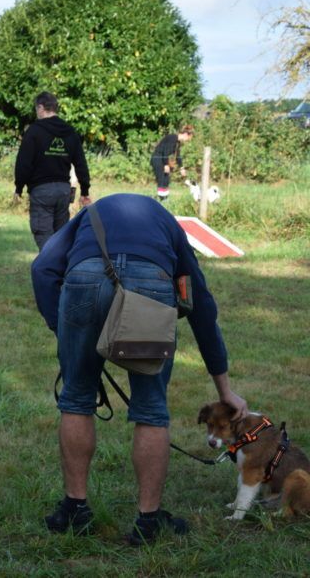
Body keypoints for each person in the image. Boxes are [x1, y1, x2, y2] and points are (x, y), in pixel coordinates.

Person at [31, 193, 248, 544]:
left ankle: (74, 509)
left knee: (75, 398)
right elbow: (201, 306)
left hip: (84, 278)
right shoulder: (168, 224)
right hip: (151, 281)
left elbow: (42, 268)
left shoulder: (90, 214)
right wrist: (224, 390)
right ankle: (148, 521)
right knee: (150, 407)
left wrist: (63, 331)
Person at [14, 92, 92, 250]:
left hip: (42, 191)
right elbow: (81, 163)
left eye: (36, 109)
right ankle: (61, 270)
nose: (36, 113)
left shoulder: (34, 131)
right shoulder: (70, 131)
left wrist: (19, 187)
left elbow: (24, 163)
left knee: (43, 235)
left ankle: (50, 271)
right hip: (64, 191)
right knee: (61, 235)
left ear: (41, 107)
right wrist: (85, 190)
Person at [151, 124, 194, 201]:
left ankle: (165, 198)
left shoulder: (177, 142)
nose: (187, 141)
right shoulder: (172, 138)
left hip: (163, 160)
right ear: (186, 134)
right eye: (188, 139)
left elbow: (178, 155)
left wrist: (181, 167)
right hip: (157, 158)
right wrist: (166, 165)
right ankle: (162, 200)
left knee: (166, 180)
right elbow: (165, 151)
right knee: (161, 179)